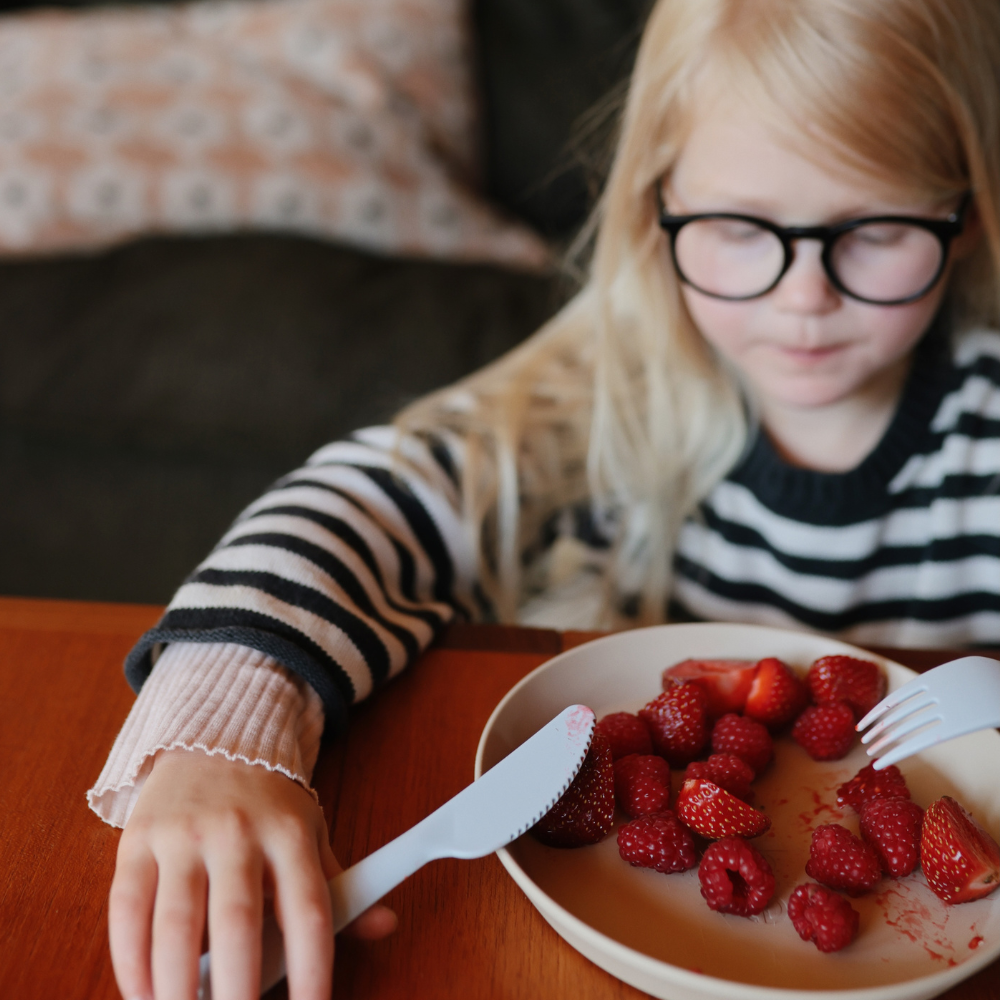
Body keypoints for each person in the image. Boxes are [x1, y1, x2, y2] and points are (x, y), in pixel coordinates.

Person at [88, 1, 1000, 998]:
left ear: (962, 219)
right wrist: (221, 736)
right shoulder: (611, 395)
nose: (802, 298)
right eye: (738, 228)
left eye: (873, 231)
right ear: (655, 207)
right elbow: (364, 498)